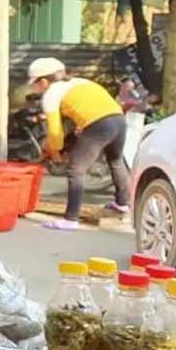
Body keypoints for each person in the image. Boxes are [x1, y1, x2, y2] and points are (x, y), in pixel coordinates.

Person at [28, 57, 131, 231]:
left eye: (35, 83)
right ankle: (122, 203)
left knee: (76, 169)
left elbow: (54, 132)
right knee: (115, 160)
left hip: (99, 124)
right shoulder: (80, 82)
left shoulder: (51, 94)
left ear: (44, 81)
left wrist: (55, 151)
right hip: (119, 119)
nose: (35, 88)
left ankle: (71, 219)